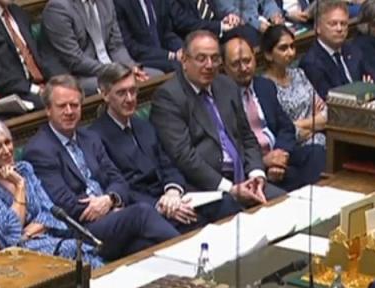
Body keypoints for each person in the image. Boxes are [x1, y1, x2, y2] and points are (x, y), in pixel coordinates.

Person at [25, 75, 179, 260]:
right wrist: (106, 210)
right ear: (48, 110)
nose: (69, 111)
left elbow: (118, 180)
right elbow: (62, 203)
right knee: (141, 212)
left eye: (74, 105)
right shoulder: (39, 150)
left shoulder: (89, 138)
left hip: (112, 217)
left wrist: (110, 199)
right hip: (81, 230)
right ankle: (195, 262)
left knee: (144, 247)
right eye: (62, 106)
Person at [92, 63, 242, 229]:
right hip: (146, 207)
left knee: (226, 203)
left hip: (172, 196)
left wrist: (173, 191)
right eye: (121, 93)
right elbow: (119, 185)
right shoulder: (96, 136)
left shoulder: (143, 125)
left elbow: (168, 164)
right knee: (192, 224)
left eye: (133, 90)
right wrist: (161, 206)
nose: (130, 98)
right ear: (105, 95)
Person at [150, 31, 275, 209]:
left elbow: (247, 136)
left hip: (244, 178)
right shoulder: (169, 97)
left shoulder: (226, 84)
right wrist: (230, 188)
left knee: (283, 203)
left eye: (215, 58)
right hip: (208, 188)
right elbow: (184, 157)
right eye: (201, 58)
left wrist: (257, 175)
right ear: (184, 60)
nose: (209, 65)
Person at [0, 118, 105, 267]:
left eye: (7, 142)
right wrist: (19, 186)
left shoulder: (24, 169)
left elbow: (50, 211)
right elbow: (9, 234)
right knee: (74, 249)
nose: (7, 151)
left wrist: (26, 234)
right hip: (21, 252)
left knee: (85, 250)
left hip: (48, 236)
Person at [222, 36, 325, 192]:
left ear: (255, 59)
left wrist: (280, 155)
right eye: (236, 64)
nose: (243, 68)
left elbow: (286, 128)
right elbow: (229, 147)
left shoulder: (265, 86)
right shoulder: (221, 97)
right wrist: (263, 162)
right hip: (252, 166)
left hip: (278, 153)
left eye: (247, 61)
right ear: (224, 68)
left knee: (315, 151)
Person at [39, 0, 157, 92]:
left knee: (155, 76)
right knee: (120, 86)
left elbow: (116, 46)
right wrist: (118, 72)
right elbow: (75, 60)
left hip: (109, 69)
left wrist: (131, 68)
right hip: (75, 76)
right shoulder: (57, 8)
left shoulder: (106, 2)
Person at [261, 26, 327, 153]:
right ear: (268, 55)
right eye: (283, 48)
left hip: (320, 142)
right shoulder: (264, 86)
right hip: (292, 151)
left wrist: (298, 124)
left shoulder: (299, 74)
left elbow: (326, 115)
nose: (290, 53)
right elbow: (279, 131)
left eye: (292, 46)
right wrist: (314, 123)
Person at [299, 0, 375, 98]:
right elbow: (329, 99)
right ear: (318, 28)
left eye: (343, 24)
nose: (339, 29)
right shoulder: (311, 63)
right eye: (333, 24)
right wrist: (363, 90)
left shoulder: (353, 50)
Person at [114, 0, 184, 73]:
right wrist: (169, 55)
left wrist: (182, 49)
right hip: (141, 59)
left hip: (163, 54)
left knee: (189, 60)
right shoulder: (121, 3)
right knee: (177, 66)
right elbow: (131, 47)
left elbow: (166, 33)